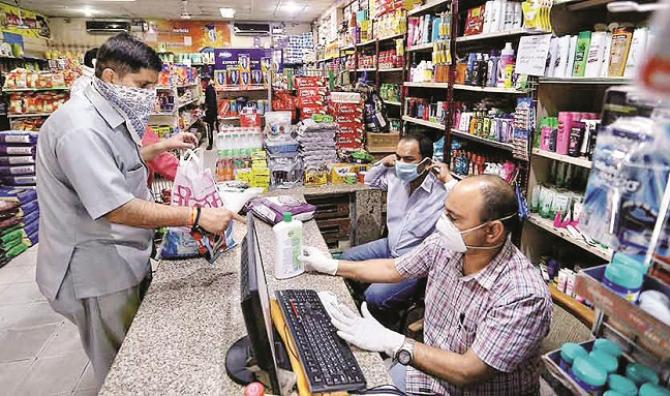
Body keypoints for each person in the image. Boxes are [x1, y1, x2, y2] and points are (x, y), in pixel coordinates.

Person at [35, 33, 243, 388]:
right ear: (111, 77)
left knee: (132, 348)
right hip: (94, 271)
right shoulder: (80, 129)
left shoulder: (106, 113)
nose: (148, 94)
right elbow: (114, 208)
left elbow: (118, 163)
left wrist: (163, 145)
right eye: (143, 84)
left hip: (119, 256)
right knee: (122, 370)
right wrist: (195, 216)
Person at [302, 175, 553, 395]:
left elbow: (468, 372)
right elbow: (393, 268)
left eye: (453, 218)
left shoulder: (522, 294)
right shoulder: (446, 246)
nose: (441, 223)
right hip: (427, 372)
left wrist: (392, 342)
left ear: (492, 232)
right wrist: (331, 266)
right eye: (444, 212)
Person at [342, 133, 455, 326]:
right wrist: (383, 163)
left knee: (375, 296)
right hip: (389, 246)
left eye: (409, 159)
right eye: (398, 157)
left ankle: (387, 321)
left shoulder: (440, 191)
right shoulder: (395, 178)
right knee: (345, 260)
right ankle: (370, 302)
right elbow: (369, 180)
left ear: (427, 163)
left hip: (414, 261)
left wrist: (450, 181)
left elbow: (469, 206)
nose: (401, 163)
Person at [202, 75, 218, 150]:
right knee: (214, 127)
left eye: (202, 82)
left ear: (205, 82)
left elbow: (210, 102)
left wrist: (207, 112)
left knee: (210, 128)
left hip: (210, 112)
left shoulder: (209, 89)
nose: (202, 84)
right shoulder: (211, 88)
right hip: (213, 111)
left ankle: (210, 144)